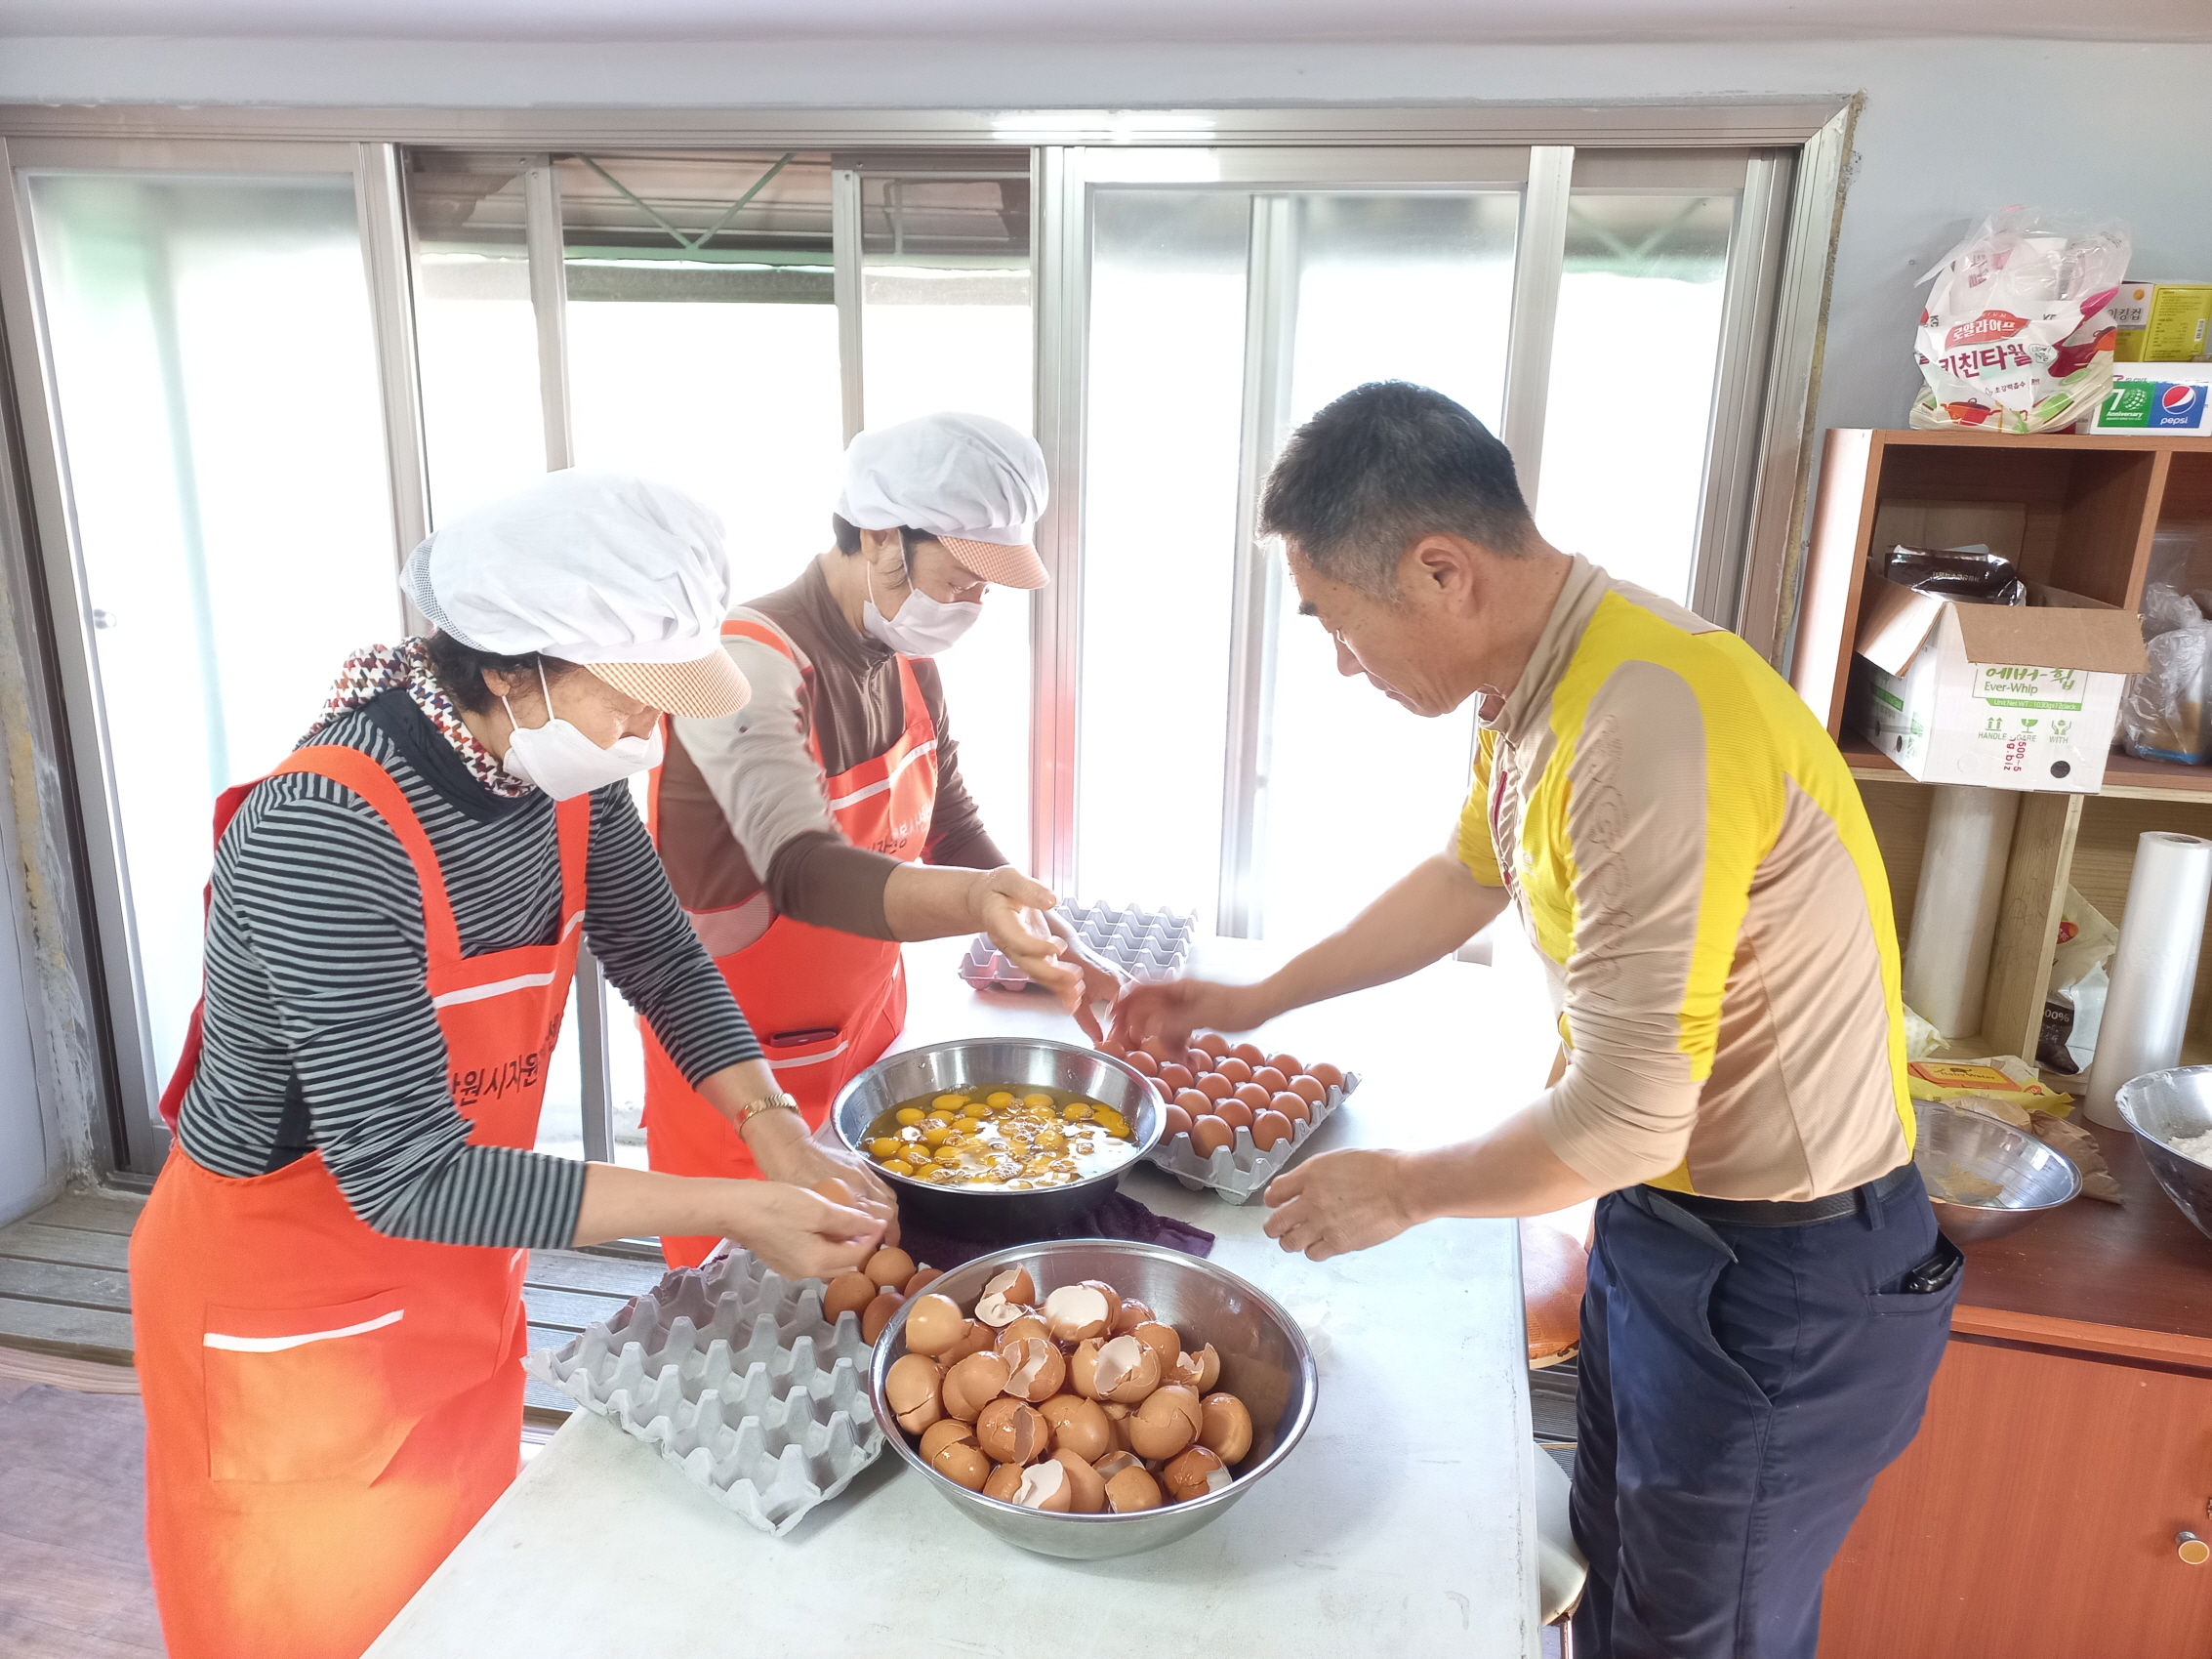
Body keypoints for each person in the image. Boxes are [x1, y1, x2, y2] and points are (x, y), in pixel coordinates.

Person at [1113, 382, 1960, 1659]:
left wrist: (1402, 1188)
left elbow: (1625, 1117)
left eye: (1337, 623)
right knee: (1621, 1568)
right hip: (1674, 1225)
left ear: (1440, 569)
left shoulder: (1644, 720)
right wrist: (1253, 996)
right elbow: (1468, 875)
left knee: (1693, 1633)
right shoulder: (1541, 685)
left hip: (1782, 1272)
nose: (1341, 662)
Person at [129, 471, 896, 1659]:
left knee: (458, 1610)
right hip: (294, 1325)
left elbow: (667, 962)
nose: (650, 731)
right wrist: (730, 1206)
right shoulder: (325, 833)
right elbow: (408, 1176)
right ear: (507, 671)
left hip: (454, 1286)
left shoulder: (561, 782)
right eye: (631, 697)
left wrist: (773, 1129)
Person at [643, 412, 1117, 1265]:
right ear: (877, 535)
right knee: (753, 1311)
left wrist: (1059, 941)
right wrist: (978, 902)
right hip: (747, 1082)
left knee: (876, 1286)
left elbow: (950, 822)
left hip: (869, 1048)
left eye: (990, 581)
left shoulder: (905, 657)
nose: (976, 599)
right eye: (962, 571)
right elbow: (803, 869)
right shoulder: (745, 668)